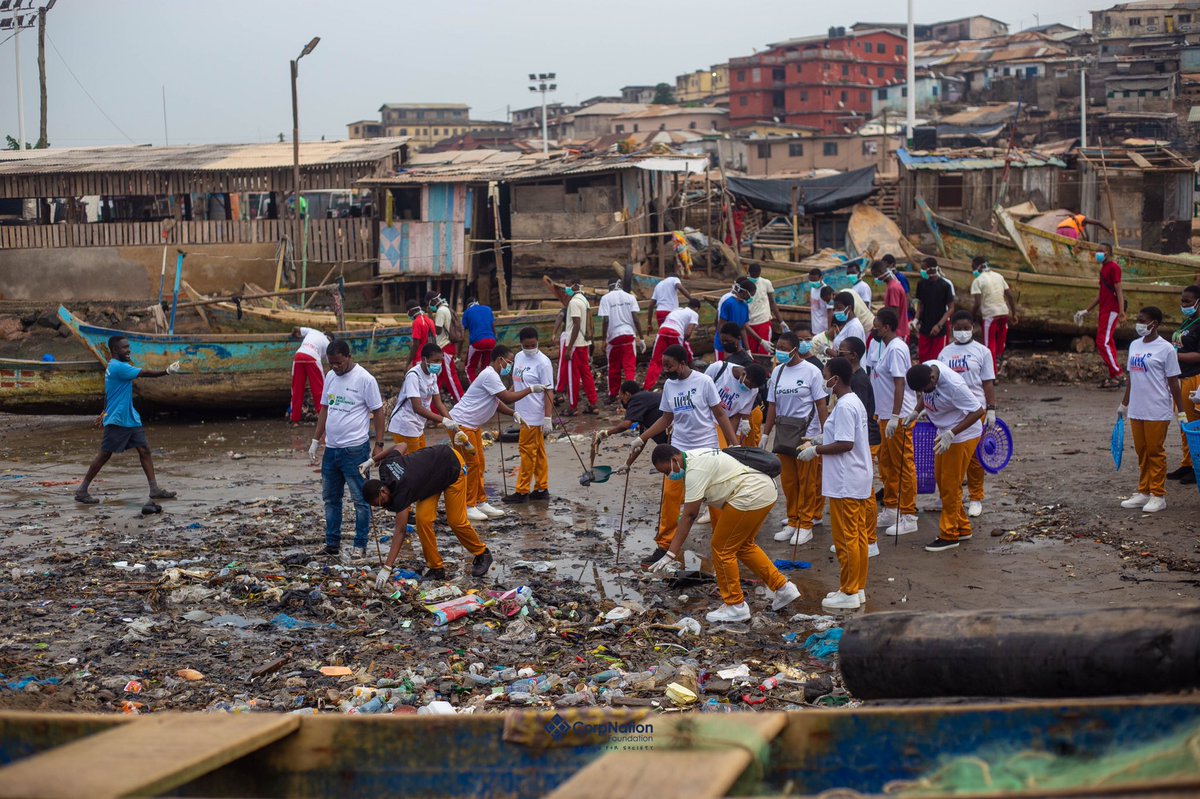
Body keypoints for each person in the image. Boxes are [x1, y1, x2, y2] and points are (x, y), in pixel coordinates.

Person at [645, 445, 800, 622]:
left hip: (749, 494)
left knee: (721, 548)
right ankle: (783, 587)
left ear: (674, 460)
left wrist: (670, 553)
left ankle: (735, 605)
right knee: (743, 546)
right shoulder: (696, 455)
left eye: (666, 471)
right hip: (765, 489)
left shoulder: (695, 470)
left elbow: (689, 515)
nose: (669, 476)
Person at [627, 345, 738, 566]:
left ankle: (724, 547)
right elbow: (666, 418)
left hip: (706, 449)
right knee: (670, 498)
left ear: (682, 363)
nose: (665, 369)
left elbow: (720, 414)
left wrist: (734, 445)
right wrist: (643, 438)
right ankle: (665, 546)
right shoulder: (669, 385)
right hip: (678, 450)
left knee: (714, 500)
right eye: (664, 365)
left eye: (669, 365)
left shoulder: (704, 382)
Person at [800, 357, 872, 610]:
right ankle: (857, 587)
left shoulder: (843, 406)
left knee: (847, 538)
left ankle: (849, 590)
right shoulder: (853, 402)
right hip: (855, 478)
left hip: (846, 480)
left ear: (836, 379)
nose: (823, 379)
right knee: (858, 536)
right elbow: (845, 435)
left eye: (825, 374)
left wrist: (816, 450)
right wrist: (820, 437)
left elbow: (845, 444)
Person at [362, 442, 492, 583]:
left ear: (383, 491)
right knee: (422, 520)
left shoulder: (402, 491)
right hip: (429, 481)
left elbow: (400, 530)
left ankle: (482, 553)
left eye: (381, 502)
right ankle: (436, 568)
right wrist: (372, 460)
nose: (383, 505)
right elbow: (401, 445)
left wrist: (387, 567)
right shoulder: (386, 467)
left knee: (456, 521)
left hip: (451, 466)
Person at [74, 337, 181, 505]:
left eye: (128, 347)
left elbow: (109, 391)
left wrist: (104, 410)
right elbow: (144, 373)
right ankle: (82, 490)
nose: (129, 350)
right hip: (118, 419)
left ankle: (154, 489)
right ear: (115, 350)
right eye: (125, 348)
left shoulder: (112, 365)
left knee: (144, 450)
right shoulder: (119, 367)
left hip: (129, 417)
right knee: (104, 454)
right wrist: (166, 371)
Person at [449, 346, 547, 521]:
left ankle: (480, 501)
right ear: (499, 359)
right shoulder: (490, 375)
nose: (509, 366)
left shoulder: (493, 377)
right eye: (509, 362)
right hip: (461, 425)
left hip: (473, 426)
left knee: (479, 464)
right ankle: (468, 504)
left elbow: (497, 401)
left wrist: (513, 413)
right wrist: (531, 389)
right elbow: (507, 397)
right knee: (471, 464)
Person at [309, 340, 386, 558]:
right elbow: (325, 408)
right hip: (332, 449)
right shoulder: (331, 377)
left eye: (339, 363)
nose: (335, 367)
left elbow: (378, 412)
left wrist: (378, 445)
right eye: (331, 363)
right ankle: (332, 543)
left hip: (355, 450)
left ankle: (359, 545)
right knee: (331, 499)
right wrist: (316, 439)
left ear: (348, 356)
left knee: (361, 500)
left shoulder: (365, 379)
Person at [905, 361, 985, 552]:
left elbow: (978, 411)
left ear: (933, 378)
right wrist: (916, 411)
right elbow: (925, 395)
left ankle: (949, 535)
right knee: (943, 481)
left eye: (926, 388)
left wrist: (952, 433)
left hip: (962, 435)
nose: (925, 392)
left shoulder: (954, 385)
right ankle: (962, 527)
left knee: (950, 485)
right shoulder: (927, 369)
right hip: (945, 431)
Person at [762, 330, 829, 546]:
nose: (780, 351)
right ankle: (793, 520)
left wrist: (823, 432)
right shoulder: (778, 372)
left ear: (795, 348)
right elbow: (772, 405)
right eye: (778, 347)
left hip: (807, 433)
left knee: (807, 481)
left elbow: (820, 403)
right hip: (784, 433)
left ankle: (806, 523)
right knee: (789, 481)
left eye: (783, 347)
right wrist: (765, 433)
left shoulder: (811, 371)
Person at [1118, 306, 1186, 513]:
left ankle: (1158, 494)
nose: (1138, 323)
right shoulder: (1134, 345)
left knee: (1156, 451)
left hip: (1157, 408)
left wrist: (1181, 410)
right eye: (1137, 319)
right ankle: (1144, 491)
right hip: (1137, 409)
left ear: (1154, 323)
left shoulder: (1165, 349)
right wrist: (1124, 403)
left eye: (1142, 320)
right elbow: (1131, 377)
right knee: (1142, 451)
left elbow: (1174, 382)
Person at [939, 311, 997, 517]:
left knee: (975, 458)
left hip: (976, 410)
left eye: (966, 328)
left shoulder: (982, 352)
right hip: (951, 411)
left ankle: (975, 497)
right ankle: (952, 496)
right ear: (952, 328)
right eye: (958, 328)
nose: (962, 332)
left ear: (973, 328)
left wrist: (991, 409)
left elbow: (987, 382)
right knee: (952, 457)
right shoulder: (945, 352)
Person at [870, 308, 918, 537]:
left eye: (876, 325)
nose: (873, 329)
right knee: (887, 464)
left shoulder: (897, 348)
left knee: (902, 465)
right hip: (886, 415)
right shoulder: (888, 348)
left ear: (887, 327)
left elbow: (900, 383)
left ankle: (909, 514)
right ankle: (891, 507)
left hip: (897, 417)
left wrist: (897, 416)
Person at [837, 336, 881, 559]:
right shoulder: (852, 378)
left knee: (866, 491)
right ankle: (855, 534)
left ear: (853, 355)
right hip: (858, 439)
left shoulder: (860, 381)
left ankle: (870, 538)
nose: (838, 353)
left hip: (866, 439)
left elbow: (860, 415)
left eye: (841, 351)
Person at [504, 327, 555, 503]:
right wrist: (506, 396)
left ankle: (522, 490)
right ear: (521, 344)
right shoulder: (518, 357)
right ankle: (541, 487)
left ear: (538, 342)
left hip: (533, 415)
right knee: (538, 451)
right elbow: (517, 383)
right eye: (527, 345)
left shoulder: (543, 362)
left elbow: (549, 391)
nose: (531, 348)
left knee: (526, 452)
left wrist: (547, 418)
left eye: (534, 345)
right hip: (522, 411)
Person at [387, 343, 455, 452]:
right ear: (424, 359)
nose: (439, 364)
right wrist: (443, 420)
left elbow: (438, 404)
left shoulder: (432, 375)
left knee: (422, 459)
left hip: (418, 425)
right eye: (436, 360)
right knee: (413, 463)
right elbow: (417, 408)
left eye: (440, 361)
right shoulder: (413, 376)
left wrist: (453, 424)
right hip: (405, 425)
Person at [1076, 244, 1125, 388]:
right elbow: (1101, 294)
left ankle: (1118, 373)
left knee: (1102, 341)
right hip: (1105, 309)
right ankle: (1113, 375)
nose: (1098, 253)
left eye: (1100, 251)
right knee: (1108, 342)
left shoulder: (1114, 268)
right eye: (1097, 251)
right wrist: (1086, 310)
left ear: (1108, 252)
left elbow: (1119, 291)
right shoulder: (1104, 268)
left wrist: (1121, 312)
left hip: (1111, 310)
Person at [1168, 285, 1200, 485]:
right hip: (1182, 377)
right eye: (1182, 301)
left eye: (1187, 301)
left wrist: (1173, 356)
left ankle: (1197, 466)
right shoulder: (1188, 321)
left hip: (1195, 378)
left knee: (1195, 425)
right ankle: (1187, 463)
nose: (1183, 305)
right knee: (1184, 423)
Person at [598, 278, 643, 402]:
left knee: (613, 368)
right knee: (630, 368)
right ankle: (632, 395)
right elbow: (636, 319)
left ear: (609, 287)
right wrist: (642, 337)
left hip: (614, 338)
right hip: (629, 336)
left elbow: (606, 320)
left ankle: (613, 394)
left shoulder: (606, 298)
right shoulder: (630, 297)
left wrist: (603, 340)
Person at [707, 354, 766, 448]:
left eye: (752, 388)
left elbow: (736, 416)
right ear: (743, 374)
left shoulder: (753, 391)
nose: (748, 389)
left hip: (727, 425)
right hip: (708, 421)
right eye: (748, 384)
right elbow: (701, 390)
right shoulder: (719, 368)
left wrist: (731, 442)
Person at [970, 257, 1017, 371]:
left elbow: (977, 303)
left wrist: (971, 316)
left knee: (988, 345)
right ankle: (999, 360)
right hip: (1004, 312)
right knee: (1000, 341)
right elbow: (1009, 296)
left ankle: (992, 373)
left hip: (990, 315)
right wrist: (1014, 314)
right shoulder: (999, 276)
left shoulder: (978, 281)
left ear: (977, 267)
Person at [643, 298, 700, 389]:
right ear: (697, 308)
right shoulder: (694, 313)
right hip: (676, 333)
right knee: (679, 358)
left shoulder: (677, 310)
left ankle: (647, 387)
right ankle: (684, 379)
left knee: (656, 360)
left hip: (663, 330)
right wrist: (681, 341)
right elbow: (688, 333)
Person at [595, 381, 666, 446]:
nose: (621, 401)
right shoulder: (644, 403)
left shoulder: (636, 399)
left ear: (627, 394)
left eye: (621, 397)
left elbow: (625, 425)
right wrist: (628, 460)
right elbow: (641, 442)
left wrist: (606, 433)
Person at [914, 257, 956, 362]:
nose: (922, 271)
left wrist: (939, 325)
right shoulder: (921, 284)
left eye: (923, 268)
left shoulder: (945, 285)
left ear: (931, 269)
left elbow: (951, 308)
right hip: (924, 327)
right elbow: (920, 303)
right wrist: (916, 319)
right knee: (923, 358)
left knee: (938, 360)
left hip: (939, 330)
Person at [425, 291, 464, 402]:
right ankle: (433, 407)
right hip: (444, 347)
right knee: (438, 379)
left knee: (451, 377)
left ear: (432, 301)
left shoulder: (441, 311)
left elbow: (437, 330)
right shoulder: (446, 309)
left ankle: (461, 401)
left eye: (429, 304)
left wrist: (430, 317)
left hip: (445, 347)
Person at [289, 326, 329, 427]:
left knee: (297, 389)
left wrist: (293, 335)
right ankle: (324, 418)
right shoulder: (329, 343)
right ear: (330, 338)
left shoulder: (312, 330)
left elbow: (296, 329)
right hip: (312, 357)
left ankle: (295, 420)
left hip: (299, 355)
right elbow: (332, 364)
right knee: (319, 390)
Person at [714, 278, 758, 360]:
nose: (751, 297)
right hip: (723, 345)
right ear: (745, 292)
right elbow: (721, 326)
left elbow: (742, 329)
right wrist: (725, 348)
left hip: (736, 345)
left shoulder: (745, 306)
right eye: (751, 295)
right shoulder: (728, 303)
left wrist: (748, 350)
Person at [746, 263, 781, 359]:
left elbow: (772, 302)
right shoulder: (744, 284)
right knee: (750, 352)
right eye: (752, 275)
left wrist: (781, 321)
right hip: (749, 323)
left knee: (765, 351)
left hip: (763, 321)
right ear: (748, 273)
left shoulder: (766, 283)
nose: (754, 277)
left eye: (756, 275)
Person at [871, 259, 910, 339]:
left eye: (875, 276)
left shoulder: (893, 288)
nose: (876, 279)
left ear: (880, 272)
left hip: (897, 332)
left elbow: (894, 313)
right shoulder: (892, 285)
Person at [461, 297, 497, 381]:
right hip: (491, 341)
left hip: (477, 342)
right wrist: (494, 339)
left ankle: (475, 390)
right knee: (486, 368)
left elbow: (462, 333)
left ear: (467, 306)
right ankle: (486, 388)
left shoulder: (467, 312)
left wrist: (459, 352)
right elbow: (493, 327)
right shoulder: (488, 309)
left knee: (469, 368)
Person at [827, 291, 866, 359]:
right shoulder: (848, 324)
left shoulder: (854, 327)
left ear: (849, 308)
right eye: (834, 309)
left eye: (839, 308)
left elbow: (850, 355)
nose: (836, 311)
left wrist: (827, 350)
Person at [407, 302, 437, 369]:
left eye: (408, 312)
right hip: (430, 357)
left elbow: (415, 345)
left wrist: (407, 364)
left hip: (420, 359)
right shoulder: (430, 321)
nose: (408, 314)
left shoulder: (417, 322)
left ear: (413, 311)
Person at [809, 269, 830, 338]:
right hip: (814, 328)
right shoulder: (813, 288)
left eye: (814, 280)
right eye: (811, 280)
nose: (812, 282)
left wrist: (829, 330)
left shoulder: (826, 291)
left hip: (824, 329)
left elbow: (830, 312)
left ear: (821, 278)